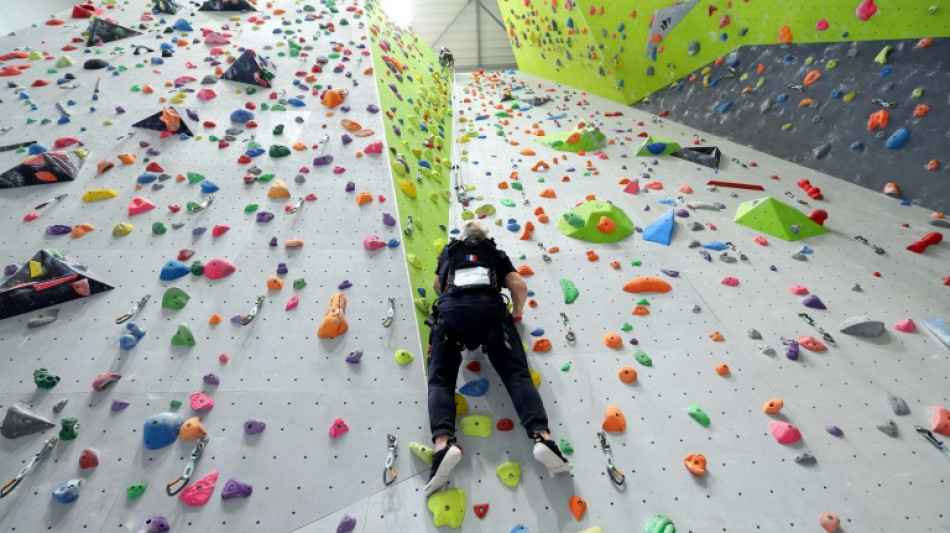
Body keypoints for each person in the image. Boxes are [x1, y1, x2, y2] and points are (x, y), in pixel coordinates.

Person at [423, 220, 571, 497]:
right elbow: (519, 286)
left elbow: (436, 285)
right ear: (485, 237)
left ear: (463, 236)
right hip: (491, 315)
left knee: (441, 380)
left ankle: (442, 446)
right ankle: (543, 439)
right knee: (516, 374)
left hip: (451, 316)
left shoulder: (449, 252)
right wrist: (516, 312)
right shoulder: (495, 253)